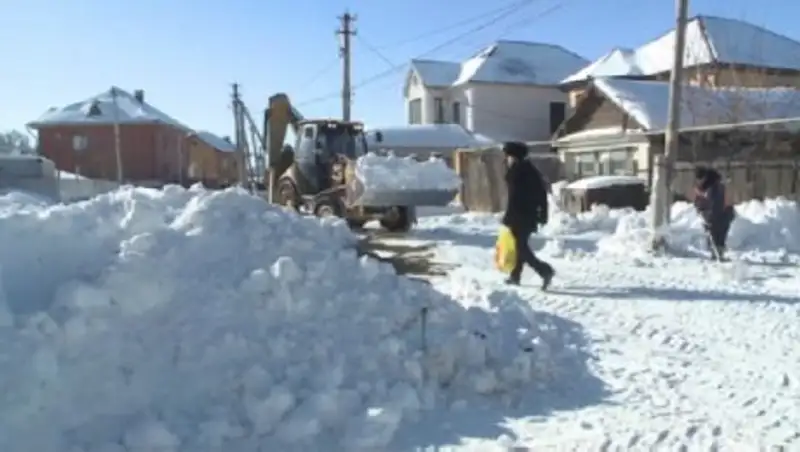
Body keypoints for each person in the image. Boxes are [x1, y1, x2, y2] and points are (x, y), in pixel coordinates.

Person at [501, 141, 555, 289]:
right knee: (520, 245)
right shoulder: (520, 169)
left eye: (508, 156)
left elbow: (540, 193)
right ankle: (515, 275)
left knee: (521, 248)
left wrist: (543, 214)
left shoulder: (524, 171)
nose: (506, 159)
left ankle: (544, 270)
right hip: (522, 214)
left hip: (523, 215)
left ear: (514, 156)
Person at [692, 166, 735, 260]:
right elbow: (699, 201)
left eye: (700, 179)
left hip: (722, 215)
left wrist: (708, 218)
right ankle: (716, 254)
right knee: (713, 236)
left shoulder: (715, 187)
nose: (698, 181)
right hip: (713, 215)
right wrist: (700, 210)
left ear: (704, 178)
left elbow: (716, 206)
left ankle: (718, 254)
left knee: (718, 236)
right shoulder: (704, 187)